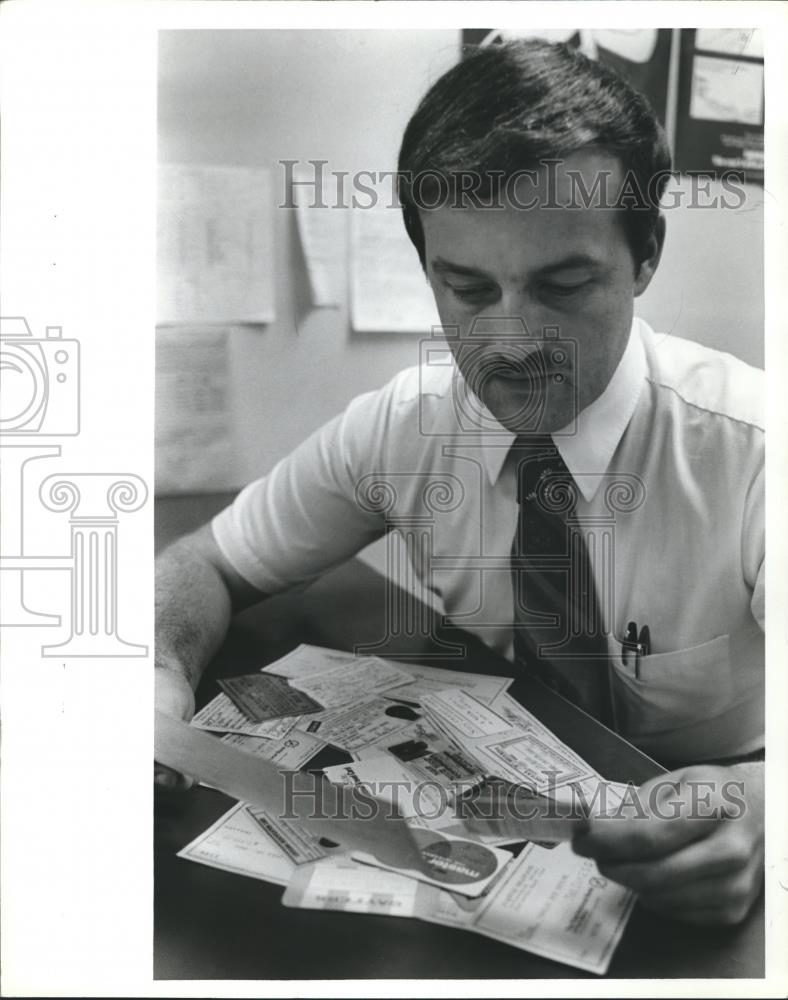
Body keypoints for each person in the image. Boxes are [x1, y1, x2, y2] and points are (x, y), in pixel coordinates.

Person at [155, 39, 764, 927]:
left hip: (705, 886)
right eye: (468, 288)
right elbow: (205, 562)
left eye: (563, 284)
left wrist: (760, 808)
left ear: (644, 257)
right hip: (485, 856)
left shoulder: (753, 450)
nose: (511, 342)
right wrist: (157, 677)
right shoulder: (401, 427)